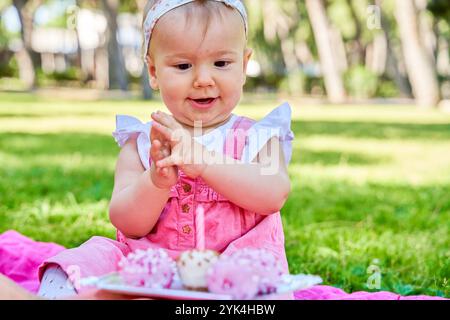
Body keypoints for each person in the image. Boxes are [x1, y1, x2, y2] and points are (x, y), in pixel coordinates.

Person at [37, 0, 294, 299]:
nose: (203, 79)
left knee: (265, 292)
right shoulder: (145, 142)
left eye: (221, 63)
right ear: (154, 71)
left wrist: (204, 161)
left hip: (237, 272)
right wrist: (156, 182)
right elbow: (127, 223)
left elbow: (274, 194)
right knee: (80, 266)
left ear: (244, 66)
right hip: (151, 270)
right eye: (183, 66)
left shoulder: (259, 137)